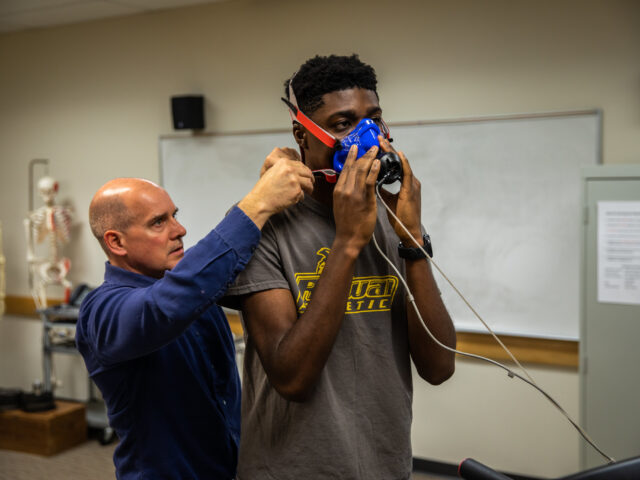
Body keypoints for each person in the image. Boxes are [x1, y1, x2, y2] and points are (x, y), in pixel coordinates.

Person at [224, 54, 457, 480]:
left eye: (374, 119)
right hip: (290, 469)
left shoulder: (392, 219)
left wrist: (411, 240)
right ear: (302, 135)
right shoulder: (265, 225)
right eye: (343, 123)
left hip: (383, 464)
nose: (367, 136)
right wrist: (348, 241)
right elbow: (291, 377)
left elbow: (439, 367)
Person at [75, 156, 313, 479]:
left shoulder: (187, 288)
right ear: (116, 242)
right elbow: (164, 307)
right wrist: (257, 203)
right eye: (158, 222)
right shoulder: (101, 311)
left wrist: (269, 194)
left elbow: (205, 275)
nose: (180, 230)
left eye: (175, 216)